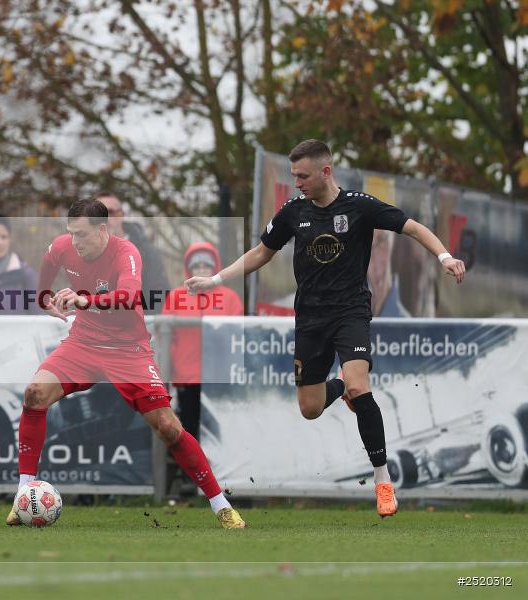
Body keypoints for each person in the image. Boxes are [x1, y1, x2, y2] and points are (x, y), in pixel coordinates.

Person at [186, 140, 466, 518]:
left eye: (302, 176)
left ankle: (383, 481)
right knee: (311, 408)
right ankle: (342, 391)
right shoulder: (292, 212)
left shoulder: (359, 206)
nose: (296, 182)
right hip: (310, 320)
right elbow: (261, 253)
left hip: (350, 313)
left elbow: (412, 227)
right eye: (293, 175)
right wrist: (217, 279)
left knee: (358, 385)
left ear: (325, 172)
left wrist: (445, 256)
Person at [7, 198, 245, 529]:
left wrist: (83, 299)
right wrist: (44, 299)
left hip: (128, 350)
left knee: (168, 427)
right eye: (71, 234)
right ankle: (23, 496)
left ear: (102, 230)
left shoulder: (126, 252)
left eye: (82, 235)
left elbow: (129, 296)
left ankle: (221, 506)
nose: (75, 242)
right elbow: (45, 275)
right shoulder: (63, 247)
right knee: (34, 393)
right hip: (83, 343)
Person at [161, 242, 242, 495]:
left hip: (219, 377)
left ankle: (226, 481)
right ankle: (191, 480)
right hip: (187, 376)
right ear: (188, 268)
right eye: (196, 264)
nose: (201, 268)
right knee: (190, 429)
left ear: (215, 267)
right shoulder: (175, 296)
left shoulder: (229, 298)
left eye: (206, 264)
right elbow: (165, 337)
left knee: (221, 430)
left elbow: (237, 335)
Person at [95, 192, 171, 313]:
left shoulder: (146, 252)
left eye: (110, 212)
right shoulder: (83, 251)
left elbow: (159, 293)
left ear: (121, 215)